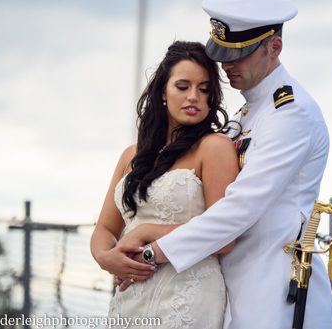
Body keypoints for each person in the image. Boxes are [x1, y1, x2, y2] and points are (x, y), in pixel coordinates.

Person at [116, 0, 332, 329]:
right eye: (224, 53)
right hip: (232, 292)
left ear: (274, 48)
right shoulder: (249, 113)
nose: (227, 64)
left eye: (241, 53)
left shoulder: (290, 115)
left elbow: (239, 209)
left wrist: (153, 251)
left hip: (274, 296)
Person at [90, 40, 238, 328]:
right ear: (162, 93)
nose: (193, 96)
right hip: (131, 295)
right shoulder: (131, 156)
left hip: (187, 295)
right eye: (183, 87)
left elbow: (226, 236)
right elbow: (105, 229)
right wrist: (106, 258)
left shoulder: (214, 148)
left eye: (204, 89)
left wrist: (147, 232)